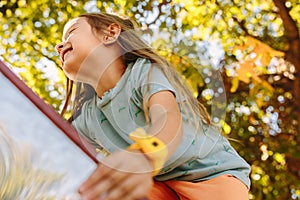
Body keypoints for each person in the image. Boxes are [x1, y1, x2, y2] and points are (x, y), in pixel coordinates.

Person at [55, 12, 251, 200]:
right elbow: (62, 155)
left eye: (71, 31)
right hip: (160, 185)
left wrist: (146, 155)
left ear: (110, 34)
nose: (59, 46)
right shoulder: (88, 118)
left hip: (212, 178)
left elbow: (167, 117)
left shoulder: (144, 71)